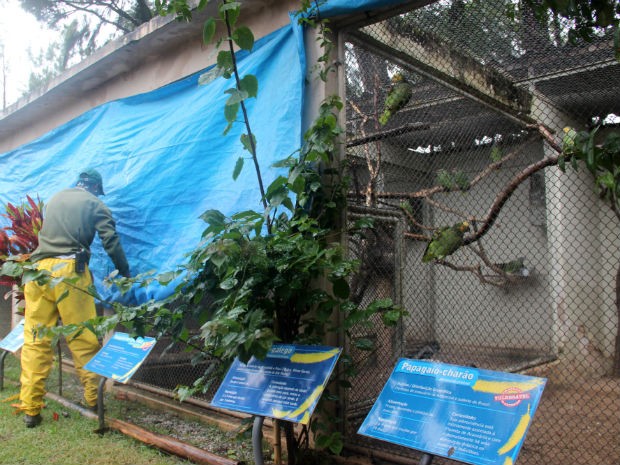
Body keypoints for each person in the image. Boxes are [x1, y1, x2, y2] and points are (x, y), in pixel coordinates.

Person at [19, 169, 130, 428]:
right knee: (83, 338)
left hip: (37, 273)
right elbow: (110, 241)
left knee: (36, 340)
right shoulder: (95, 203)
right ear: (95, 188)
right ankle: (94, 402)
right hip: (69, 271)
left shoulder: (55, 198)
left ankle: (31, 409)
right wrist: (124, 271)